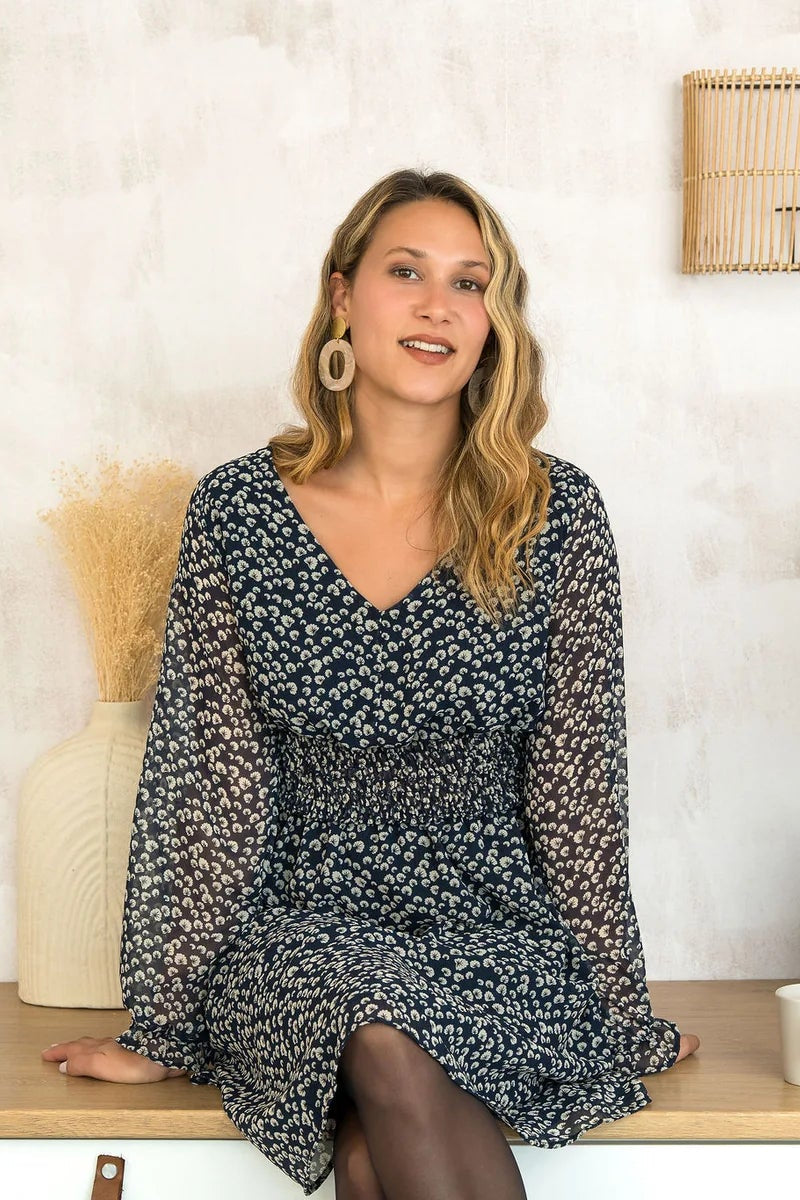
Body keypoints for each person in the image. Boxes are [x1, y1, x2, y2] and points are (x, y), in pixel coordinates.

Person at [41, 168, 700, 1199]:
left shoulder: (556, 515)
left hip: (499, 928)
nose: (439, 306)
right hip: (294, 929)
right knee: (380, 1029)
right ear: (342, 294)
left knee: (368, 1148)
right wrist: (161, 1023)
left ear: (493, 322)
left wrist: (622, 1011)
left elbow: (578, 796)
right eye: (407, 273)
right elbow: (207, 787)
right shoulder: (240, 513)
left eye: (469, 283)